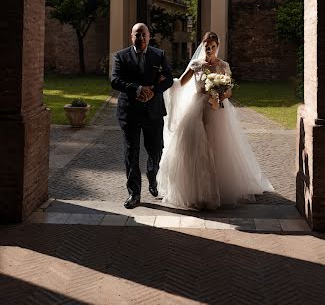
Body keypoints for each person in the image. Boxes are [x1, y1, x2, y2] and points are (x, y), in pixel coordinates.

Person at [157, 31, 273, 210]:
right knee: (195, 147)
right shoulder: (196, 65)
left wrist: (221, 95)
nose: (209, 49)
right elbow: (181, 83)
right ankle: (198, 192)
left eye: (212, 46)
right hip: (197, 109)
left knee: (218, 146)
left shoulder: (223, 66)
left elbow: (229, 91)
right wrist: (166, 83)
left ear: (218, 47)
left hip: (217, 110)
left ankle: (217, 189)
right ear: (203, 46)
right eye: (206, 46)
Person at [111, 22, 173, 209]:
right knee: (131, 154)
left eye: (144, 34)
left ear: (149, 35)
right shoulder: (121, 56)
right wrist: (137, 89)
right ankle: (134, 194)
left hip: (153, 112)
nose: (141, 38)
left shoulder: (159, 55)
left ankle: (153, 175)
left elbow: (169, 78)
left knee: (156, 150)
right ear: (132, 37)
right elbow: (115, 80)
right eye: (137, 35)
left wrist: (153, 90)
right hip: (130, 113)